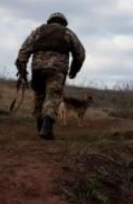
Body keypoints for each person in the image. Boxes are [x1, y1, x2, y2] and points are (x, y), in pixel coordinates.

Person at [15, 12, 85, 140]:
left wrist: (22, 67)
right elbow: (80, 53)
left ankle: (40, 127)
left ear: (50, 21)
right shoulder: (67, 33)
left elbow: (24, 49)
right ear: (63, 22)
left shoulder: (38, 31)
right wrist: (74, 70)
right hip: (56, 70)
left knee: (39, 98)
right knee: (53, 97)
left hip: (37, 70)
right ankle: (46, 128)